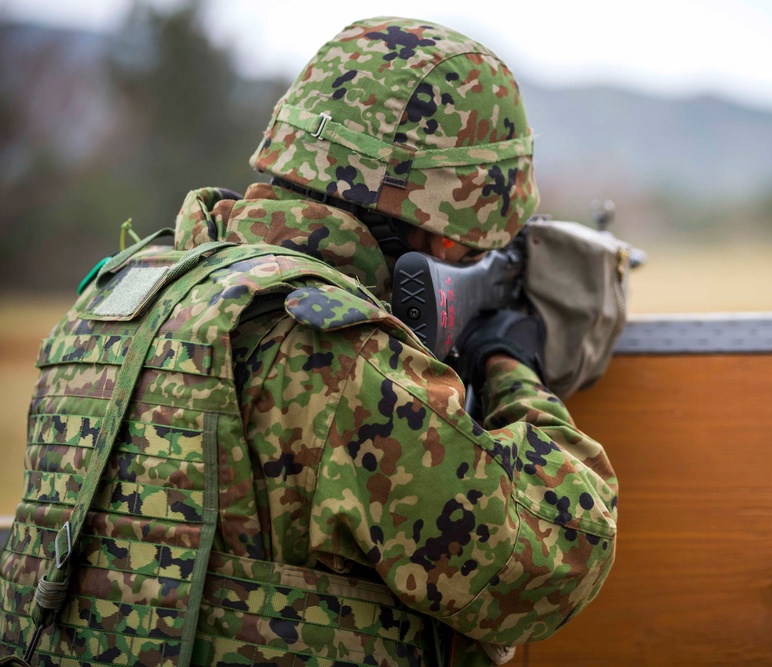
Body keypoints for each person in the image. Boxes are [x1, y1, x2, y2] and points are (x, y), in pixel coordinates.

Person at [0, 17, 617, 667]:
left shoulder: (113, 304)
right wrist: (511, 366)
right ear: (442, 236)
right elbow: (559, 559)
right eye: (473, 250)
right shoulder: (336, 359)